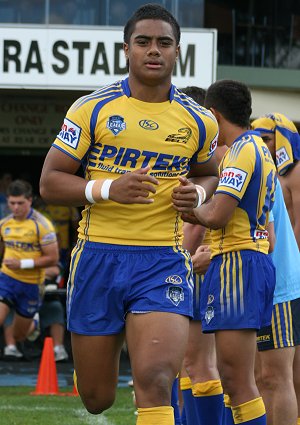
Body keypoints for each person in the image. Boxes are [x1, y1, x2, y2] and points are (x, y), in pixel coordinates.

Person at [39, 3, 219, 423]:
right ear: (126, 50)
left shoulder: (200, 119)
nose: (153, 50)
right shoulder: (91, 108)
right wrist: (106, 189)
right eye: (143, 42)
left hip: (162, 261)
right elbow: (50, 182)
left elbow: (210, 174)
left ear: (178, 52)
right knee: (96, 397)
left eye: (164, 42)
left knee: (156, 379)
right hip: (97, 258)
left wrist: (197, 192)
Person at [178, 79, 277, 425]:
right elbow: (270, 234)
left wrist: (192, 210)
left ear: (214, 115)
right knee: (234, 378)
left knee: (236, 380)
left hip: (237, 264)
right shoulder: (257, 148)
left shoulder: (240, 152)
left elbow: (217, 216)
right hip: (245, 262)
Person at [179, 86, 224, 425]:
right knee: (184, 365)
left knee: (200, 365)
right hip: (191, 271)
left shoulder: (210, 165)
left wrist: (185, 263)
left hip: (198, 273)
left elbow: (196, 228)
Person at [252, 113, 300, 425]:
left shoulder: (295, 175)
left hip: (287, 279)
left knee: (284, 375)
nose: (262, 144)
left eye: (267, 138)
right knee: (265, 375)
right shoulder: (274, 174)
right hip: (277, 277)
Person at [0, 180, 59, 345]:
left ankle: (34, 323)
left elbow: (53, 259)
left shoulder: (42, 225)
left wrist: (22, 264)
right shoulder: (4, 224)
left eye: (20, 203)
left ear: (30, 200)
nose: (16, 207)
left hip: (31, 284)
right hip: (7, 278)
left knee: (20, 336)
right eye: (12, 203)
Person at [252, 113, 300, 249]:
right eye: (258, 140)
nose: (262, 145)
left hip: (290, 257)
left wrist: (293, 259)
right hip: (269, 250)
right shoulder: (266, 171)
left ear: (282, 140)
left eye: (266, 139)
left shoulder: (297, 171)